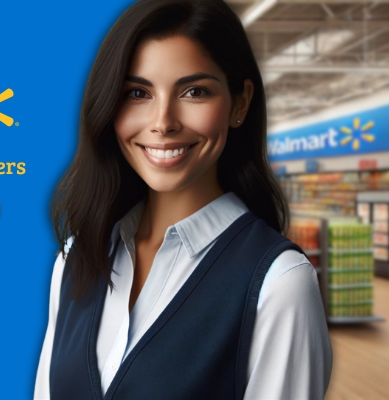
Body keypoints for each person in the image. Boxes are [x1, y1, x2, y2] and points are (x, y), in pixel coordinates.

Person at [34, 0, 332, 399]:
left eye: (194, 91)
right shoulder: (75, 261)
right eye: (138, 92)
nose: (163, 122)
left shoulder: (279, 284)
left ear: (239, 103)